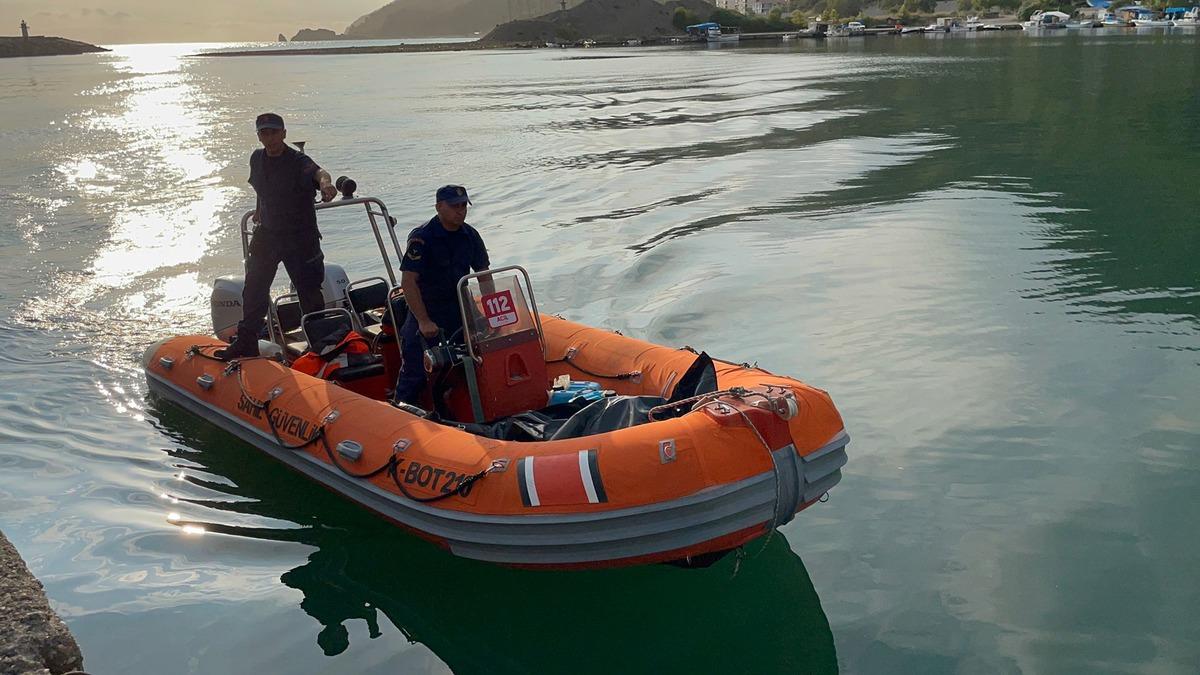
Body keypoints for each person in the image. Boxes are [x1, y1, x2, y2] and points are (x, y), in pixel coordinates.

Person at [217, 112, 337, 360]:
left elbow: (319, 172)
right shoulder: (257, 158)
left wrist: (326, 185)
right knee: (253, 290)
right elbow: (262, 189)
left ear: (283, 134)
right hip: (268, 235)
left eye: (273, 132)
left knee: (309, 291)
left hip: (300, 237)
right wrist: (259, 212)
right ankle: (247, 341)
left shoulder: (297, 161)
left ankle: (320, 346)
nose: (269, 138)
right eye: (264, 133)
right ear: (259, 136)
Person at [393, 185, 490, 405]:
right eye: (454, 206)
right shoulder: (422, 238)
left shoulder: (470, 235)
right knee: (415, 372)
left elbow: (484, 276)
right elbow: (408, 282)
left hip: (460, 307)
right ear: (439, 207)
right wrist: (424, 320)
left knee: (482, 360)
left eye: (464, 205)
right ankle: (402, 410)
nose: (460, 210)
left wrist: (492, 314)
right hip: (428, 307)